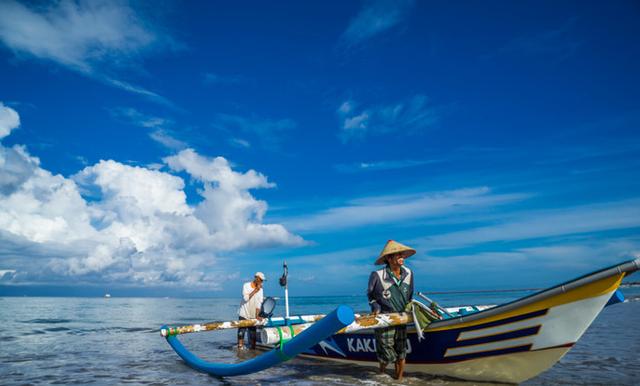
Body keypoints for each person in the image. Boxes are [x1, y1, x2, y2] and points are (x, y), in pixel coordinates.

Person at [367, 240, 415, 380]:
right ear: (388, 258)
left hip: (402, 318)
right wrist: (375, 307)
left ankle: (398, 380)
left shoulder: (409, 273)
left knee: (401, 352)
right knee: (386, 352)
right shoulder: (377, 275)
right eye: (397, 255)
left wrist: (411, 309)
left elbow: (410, 295)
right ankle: (381, 375)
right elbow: (370, 296)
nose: (401, 257)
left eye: (402, 254)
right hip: (385, 319)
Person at [237, 272, 266, 350]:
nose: (261, 282)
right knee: (241, 332)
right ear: (256, 278)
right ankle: (239, 349)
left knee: (253, 334)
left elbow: (259, 303)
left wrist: (257, 315)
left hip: (253, 315)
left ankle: (253, 350)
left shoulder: (261, 290)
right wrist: (255, 290)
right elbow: (245, 298)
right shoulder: (246, 285)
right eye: (260, 280)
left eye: (262, 281)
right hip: (244, 313)